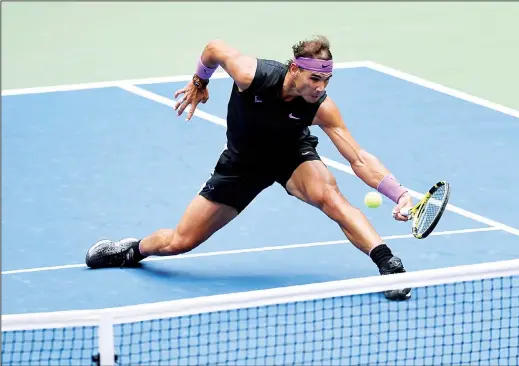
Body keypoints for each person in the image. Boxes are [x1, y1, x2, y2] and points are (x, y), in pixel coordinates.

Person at [85, 36, 414, 301]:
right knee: (180, 242)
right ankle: (131, 250)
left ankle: (388, 263)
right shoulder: (251, 76)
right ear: (295, 70)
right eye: (315, 77)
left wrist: (398, 193)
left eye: (327, 79)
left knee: (331, 198)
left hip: (291, 156)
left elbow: (357, 157)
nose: (320, 86)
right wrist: (200, 80)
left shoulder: (321, 107)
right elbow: (214, 48)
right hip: (242, 164)